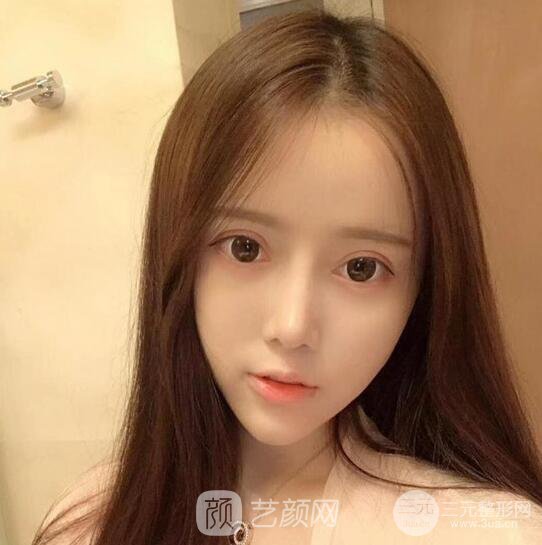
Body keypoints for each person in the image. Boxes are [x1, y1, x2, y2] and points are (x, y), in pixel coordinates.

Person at [31, 8, 542, 545]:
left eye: (361, 268)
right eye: (245, 248)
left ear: (425, 292)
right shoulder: (87, 522)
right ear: (177, 253)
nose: (292, 327)